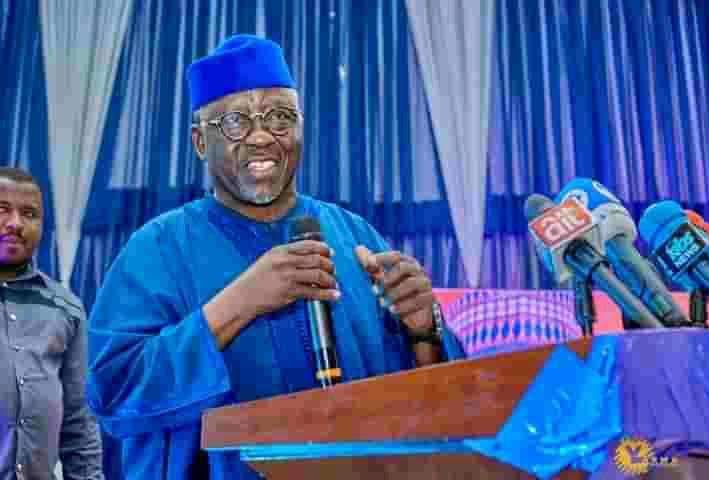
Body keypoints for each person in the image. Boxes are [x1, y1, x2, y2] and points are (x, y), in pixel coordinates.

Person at [86, 34, 465, 479]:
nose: (262, 136)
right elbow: (114, 391)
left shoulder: (354, 235)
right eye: (235, 121)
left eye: (280, 117)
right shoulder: (157, 250)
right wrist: (239, 302)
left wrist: (424, 332)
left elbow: (431, 403)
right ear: (200, 142)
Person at [0, 167, 103, 480]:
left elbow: (78, 421)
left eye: (29, 214)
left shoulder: (65, 308)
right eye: (3, 209)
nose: (16, 223)